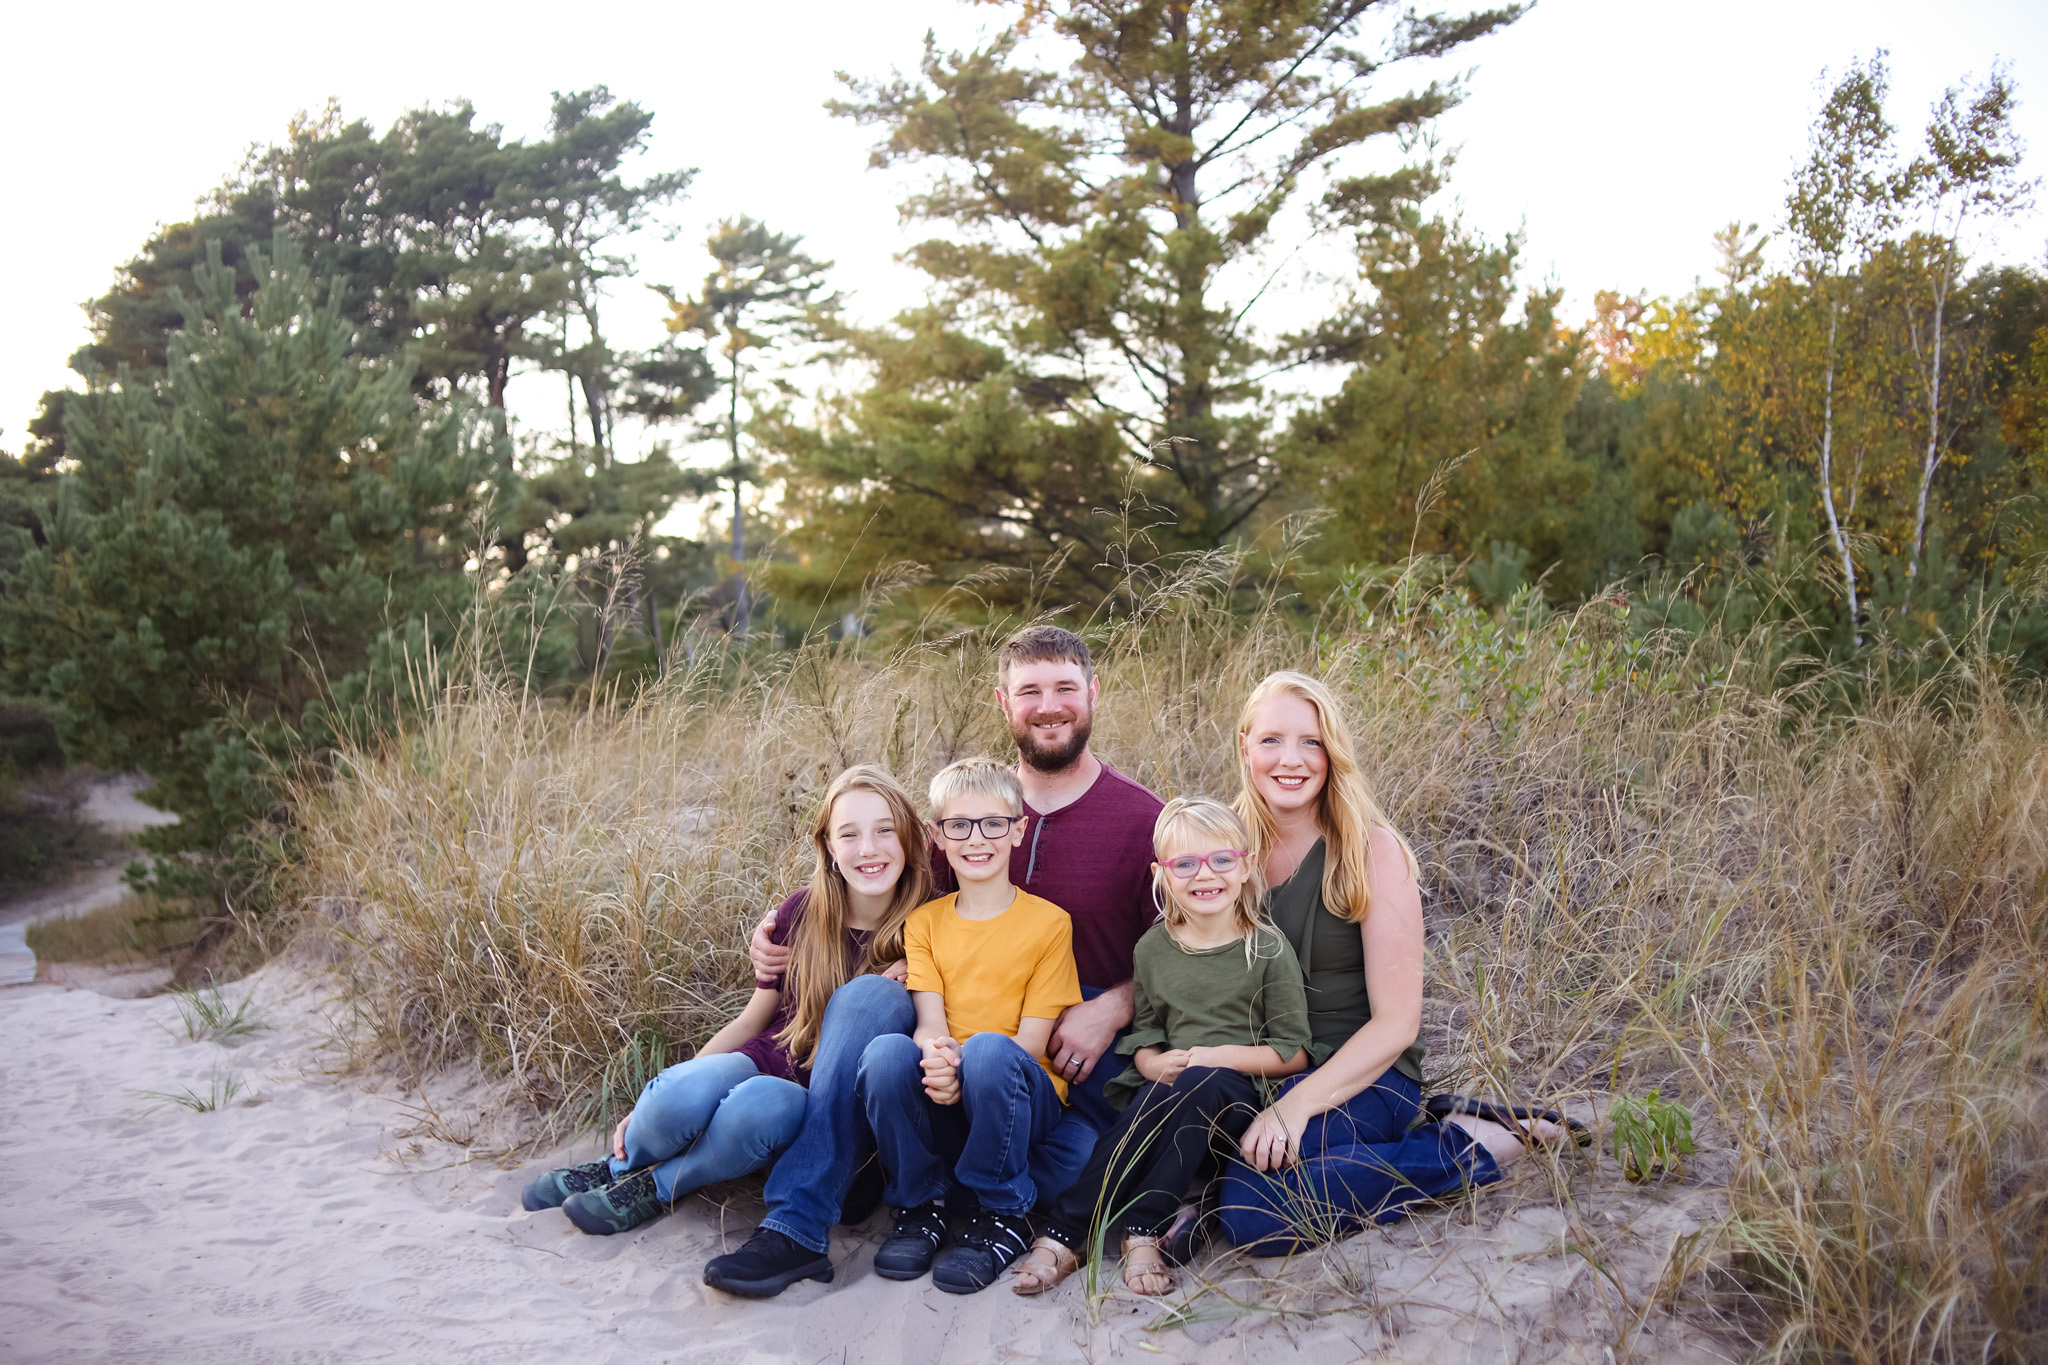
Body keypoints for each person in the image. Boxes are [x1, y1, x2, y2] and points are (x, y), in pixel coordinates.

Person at [708, 627, 1164, 1298]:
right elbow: (884, 884)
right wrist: (789, 918)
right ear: (1003, 701)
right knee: (867, 1002)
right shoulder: (970, 807)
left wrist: (1115, 1004)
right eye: (1029, 690)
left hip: (1064, 1057)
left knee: (1052, 1148)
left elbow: (1185, 943)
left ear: (1092, 693)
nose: (1049, 705)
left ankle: (971, 1200)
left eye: (1065, 687)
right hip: (950, 1030)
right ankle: (800, 1220)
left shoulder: (1140, 817)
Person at [1214, 671, 1579, 1253]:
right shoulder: (1221, 849)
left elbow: (1397, 1023)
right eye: (1272, 740)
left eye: (1311, 742)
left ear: (1332, 753)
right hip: (1261, 1068)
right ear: (1244, 747)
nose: (1291, 759)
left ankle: (1467, 1141)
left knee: (1249, 1206)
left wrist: (1297, 1108)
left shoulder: (1372, 852)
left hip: (1367, 1073)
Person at [520, 765, 931, 1240]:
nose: (869, 848)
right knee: (680, 1092)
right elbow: (753, 1019)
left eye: (885, 830)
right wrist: (669, 1097)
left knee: (760, 1105)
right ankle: (619, 1165)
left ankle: (660, 1185)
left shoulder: (929, 928)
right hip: (763, 1058)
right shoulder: (801, 913)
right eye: (850, 834)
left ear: (909, 838)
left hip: (815, 1112)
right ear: (829, 849)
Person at [1010, 798, 1311, 1298]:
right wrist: (1152, 1062)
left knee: (1194, 1081)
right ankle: (1071, 1231)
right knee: (1153, 1091)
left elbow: (1294, 1052)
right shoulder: (1153, 949)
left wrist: (1215, 1058)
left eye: (1221, 859)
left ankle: (1139, 1226)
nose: (1204, 875)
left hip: (1240, 1108)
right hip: (1171, 1097)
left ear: (1246, 866)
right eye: (1185, 864)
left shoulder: (1267, 949)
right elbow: (1146, 1034)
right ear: (1162, 874)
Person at [858, 758, 1083, 1293]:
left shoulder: (1049, 924)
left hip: (1020, 1092)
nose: (976, 838)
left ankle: (1002, 1211)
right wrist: (936, 1057)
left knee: (987, 1051)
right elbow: (928, 1022)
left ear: (1018, 829)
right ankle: (921, 1204)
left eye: (993, 823)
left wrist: (963, 1062)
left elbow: (1029, 1044)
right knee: (886, 1054)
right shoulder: (926, 923)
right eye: (958, 825)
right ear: (937, 836)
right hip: (950, 1083)